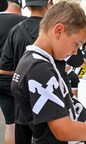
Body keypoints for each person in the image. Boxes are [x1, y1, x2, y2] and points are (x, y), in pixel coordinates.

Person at [11, 1, 86, 143]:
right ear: (59, 30)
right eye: (76, 44)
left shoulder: (44, 61)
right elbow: (63, 130)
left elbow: (69, 104)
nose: (75, 52)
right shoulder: (38, 68)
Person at [0, 0, 53, 143]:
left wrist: (23, 71)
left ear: (27, 7)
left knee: (16, 130)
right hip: (49, 99)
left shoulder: (15, 30)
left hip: (22, 100)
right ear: (48, 4)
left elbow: (4, 68)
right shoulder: (54, 30)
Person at [0, 1, 26, 144]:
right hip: (21, 78)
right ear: (20, 8)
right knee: (27, 124)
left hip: (1, 80)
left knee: (10, 125)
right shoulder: (24, 22)